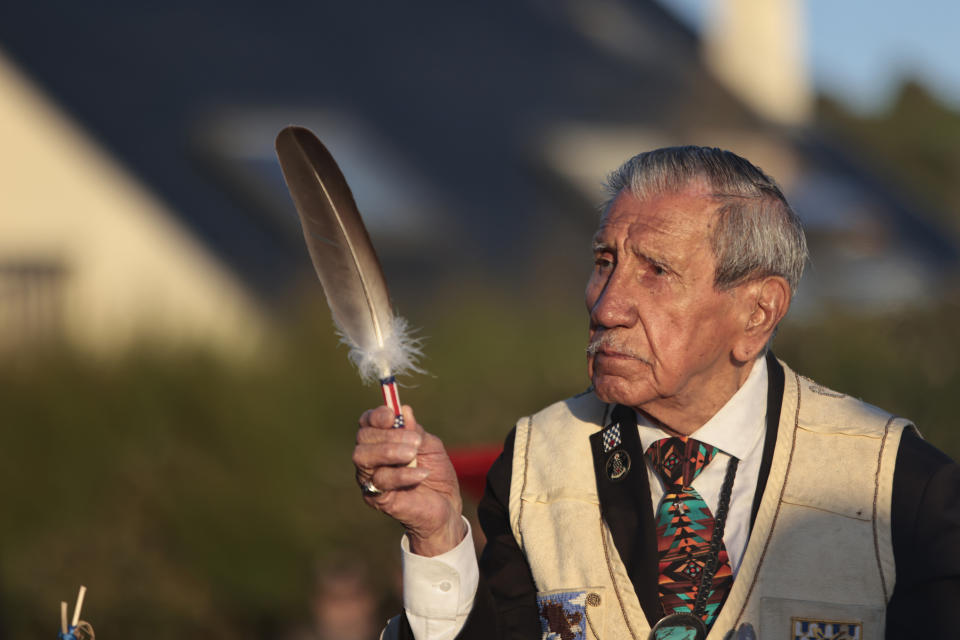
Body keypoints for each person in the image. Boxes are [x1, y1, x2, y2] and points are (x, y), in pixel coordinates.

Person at [351, 147, 960, 640]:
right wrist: (438, 539)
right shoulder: (537, 462)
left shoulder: (899, 487)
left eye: (657, 272)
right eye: (604, 260)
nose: (607, 304)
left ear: (758, 312)